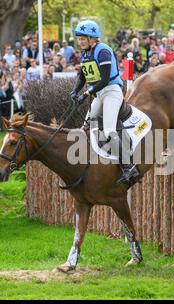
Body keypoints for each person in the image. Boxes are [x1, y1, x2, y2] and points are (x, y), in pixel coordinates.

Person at [70, 20, 139, 185]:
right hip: (99, 94)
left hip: (111, 92)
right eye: (78, 39)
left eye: (82, 39)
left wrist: (86, 93)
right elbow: (83, 76)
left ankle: (129, 167)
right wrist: (74, 91)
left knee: (108, 131)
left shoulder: (103, 51)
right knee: (86, 126)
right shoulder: (86, 53)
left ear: (92, 39)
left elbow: (105, 78)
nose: (79, 42)